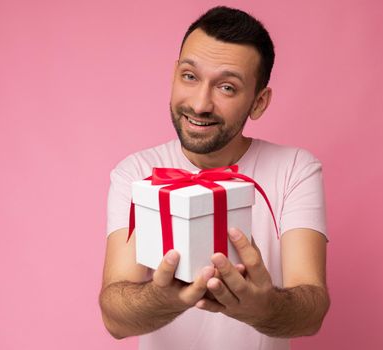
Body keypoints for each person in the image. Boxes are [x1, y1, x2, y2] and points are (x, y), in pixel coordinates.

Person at [99, 6, 330, 350]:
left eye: (226, 87)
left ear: (259, 102)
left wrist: (261, 307)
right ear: (174, 74)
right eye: (190, 77)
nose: (200, 103)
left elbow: (311, 312)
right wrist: (164, 298)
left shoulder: (295, 169)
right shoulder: (136, 172)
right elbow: (115, 319)